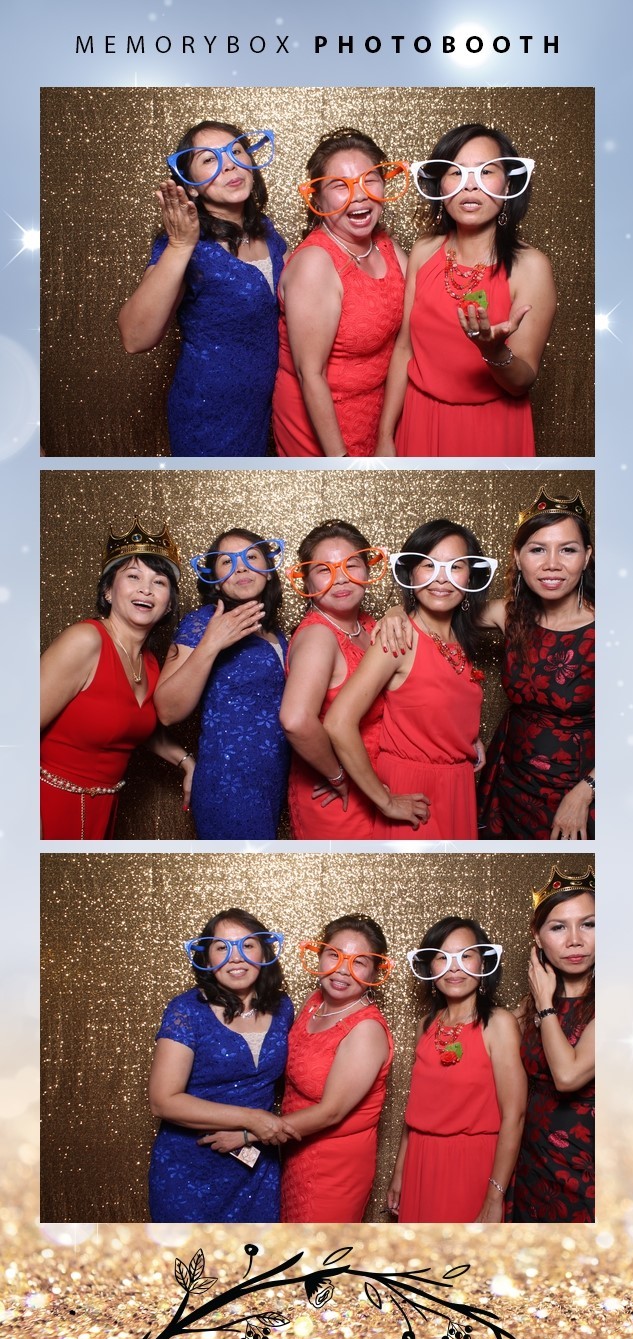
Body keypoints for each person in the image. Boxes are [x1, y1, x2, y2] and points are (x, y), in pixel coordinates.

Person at [376, 124, 555, 457]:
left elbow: (522, 381)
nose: (470, 184)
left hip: (490, 427)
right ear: (439, 185)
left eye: (486, 171)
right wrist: (385, 436)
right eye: (456, 172)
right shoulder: (424, 251)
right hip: (420, 418)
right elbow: (404, 348)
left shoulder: (530, 267)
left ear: (509, 184)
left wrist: (494, 351)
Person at [118, 122, 284, 456]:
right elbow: (134, 338)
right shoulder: (182, 247)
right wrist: (180, 246)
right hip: (208, 415)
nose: (229, 164)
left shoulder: (267, 231)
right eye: (209, 159)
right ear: (190, 187)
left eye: (236, 151)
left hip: (263, 410)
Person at [324, 520, 488, 840]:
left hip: (458, 786)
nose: (442, 578)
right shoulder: (399, 638)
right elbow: (338, 722)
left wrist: (464, 738)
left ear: (471, 576)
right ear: (411, 573)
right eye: (429, 565)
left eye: (456, 566)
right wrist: (385, 801)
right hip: (416, 792)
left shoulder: (460, 635)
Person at [41, 525, 194, 839]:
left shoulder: (150, 664)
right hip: (47, 805)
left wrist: (186, 762)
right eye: (133, 576)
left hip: (104, 808)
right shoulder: (85, 641)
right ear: (108, 591)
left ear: (169, 603)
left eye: (159, 582)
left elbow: (133, 725)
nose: (146, 590)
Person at [148, 909, 296, 1222]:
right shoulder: (186, 1011)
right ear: (207, 957)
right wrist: (252, 1119)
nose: (236, 957)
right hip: (190, 1167)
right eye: (222, 947)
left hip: (256, 1168)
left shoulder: (282, 1007)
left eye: (247, 945)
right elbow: (163, 1101)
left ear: (264, 951)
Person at [272, 129, 408, 457]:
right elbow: (310, 374)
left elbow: (409, 337)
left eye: (369, 180)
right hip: (320, 421)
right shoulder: (315, 264)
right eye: (340, 186)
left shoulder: (386, 246)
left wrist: (386, 434)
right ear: (317, 200)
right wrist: (340, 463)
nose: (358, 195)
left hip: (374, 410)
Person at [386, 918, 526, 1223]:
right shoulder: (425, 1025)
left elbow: (514, 1116)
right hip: (421, 1160)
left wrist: (495, 1196)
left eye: (465, 955)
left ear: (483, 962)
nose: (454, 967)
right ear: (429, 967)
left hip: (471, 1164)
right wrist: (400, 1172)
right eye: (442, 957)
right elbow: (416, 1110)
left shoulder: (499, 1025)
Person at [153, 529, 289, 839]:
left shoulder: (275, 632)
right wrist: (211, 643)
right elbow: (167, 711)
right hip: (228, 785)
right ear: (216, 580)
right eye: (227, 561)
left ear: (268, 571)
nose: (241, 568)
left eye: (251, 557)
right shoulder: (201, 623)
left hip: (273, 781)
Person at [478, 493, 596, 839]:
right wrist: (398, 612)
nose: (552, 564)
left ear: (587, 557)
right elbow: (439, 611)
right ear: (518, 557)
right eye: (538, 549)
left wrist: (587, 790)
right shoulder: (509, 615)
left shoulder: (611, 630)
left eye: (568, 550)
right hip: (507, 783)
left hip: (575, 793)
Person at [279, 918, 395, 1223]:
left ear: (374, 972)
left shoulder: (366, 1030)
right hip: (294, 1152)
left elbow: (330, 1112)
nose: (343, 970)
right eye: (335, 955)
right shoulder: (315, 1002)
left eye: (359, 962)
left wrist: (248, 1133)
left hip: (333, 1167)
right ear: (320, 956)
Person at [280, 521, 385, 840]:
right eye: (324, 569)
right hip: (339, 799)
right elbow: (295, 720)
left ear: (367, 569)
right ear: (306, 580)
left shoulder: (368, 625)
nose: (340, 578)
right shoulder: (319, 636)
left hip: (375, 782)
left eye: (351, 565)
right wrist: (338, 775)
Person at [511, 872, 596, 1222]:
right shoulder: (526, 1007)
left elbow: (567, 1075)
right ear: (537, 937)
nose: (575, 940)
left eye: (589, 924)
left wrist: (545, 1004)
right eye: (558, 927)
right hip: (533, 1169)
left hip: (588, 1175)